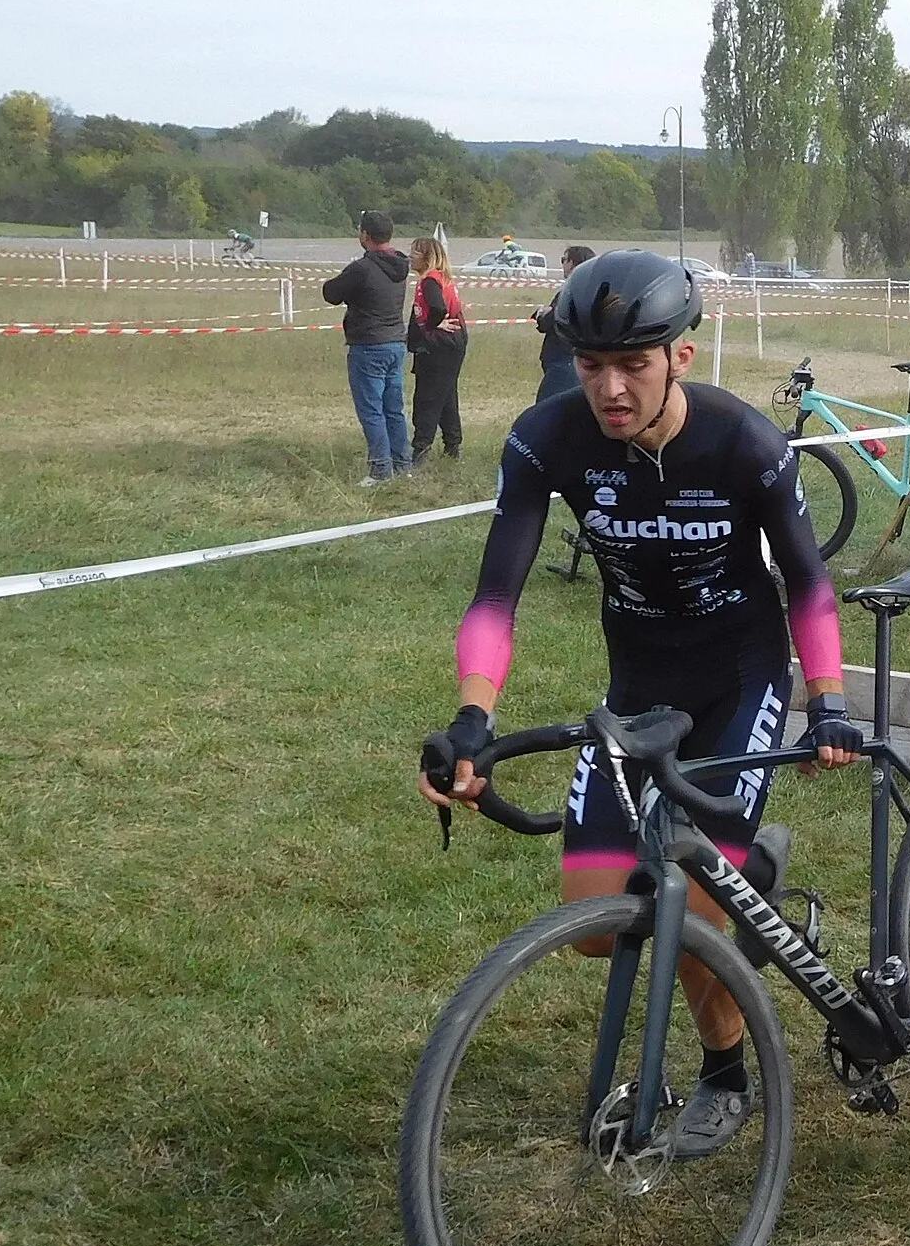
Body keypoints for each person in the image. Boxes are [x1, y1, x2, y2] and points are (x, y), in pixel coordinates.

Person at [420, 250, 859, 1158]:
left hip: (740, 683)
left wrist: (828, 702)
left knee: (691, 914)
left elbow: (810, 585)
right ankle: (752, 874)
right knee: (594, 923)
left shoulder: (746, 445)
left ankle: (726, 1074)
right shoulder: (549, 440)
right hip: (638, 691)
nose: (610, 390)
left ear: (681, 359)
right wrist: (473, 717)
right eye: (590, 367)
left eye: (634, 367)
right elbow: (496, 596)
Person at [321, 209, 412, 487]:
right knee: (393, 408)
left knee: (372, 409)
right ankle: (402, 465)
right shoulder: (401, 264)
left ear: (365, 235)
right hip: (396, 342)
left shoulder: (361, 268)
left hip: (369, 345)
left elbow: (331, 293)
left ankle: (380, 470)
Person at [406, 234, 468, 467]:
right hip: (453, 343)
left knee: (428, 398)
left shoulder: (430, 281)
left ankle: (420, 453)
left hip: (439, 346)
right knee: (446, 395)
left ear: (428, 257)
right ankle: (453, 447)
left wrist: (433, 324)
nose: (410, 256)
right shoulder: (442, 278)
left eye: (416, 252)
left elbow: (438, 308)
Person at [533, 244, 598, 402]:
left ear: (573, 263)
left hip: (564, 361)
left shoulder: (573, 291)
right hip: (573, 360)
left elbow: (550, 321)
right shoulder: (590, 289)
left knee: (545, 410)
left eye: (564, 260)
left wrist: (543, 314)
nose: (562, 264)